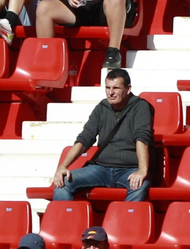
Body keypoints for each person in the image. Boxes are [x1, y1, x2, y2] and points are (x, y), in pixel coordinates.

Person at [49, 68, 151, 202]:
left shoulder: (140, 106)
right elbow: (85, 138)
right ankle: (63, 222)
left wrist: (142, 170)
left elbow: (142, 138)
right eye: (108, 88)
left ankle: (126, 221)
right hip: (101, 168)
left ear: (128, 89)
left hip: (128, 170)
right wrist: (63, 166)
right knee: (63, 183)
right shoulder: (102, 107)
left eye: (116, 88)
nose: (111, 93)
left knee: (139, 185)